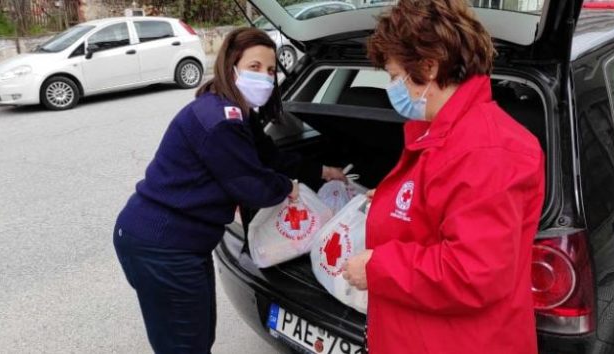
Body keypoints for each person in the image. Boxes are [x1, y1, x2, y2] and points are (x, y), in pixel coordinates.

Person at [113, 27, 345, 354]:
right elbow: (253, 187)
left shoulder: (237, 113)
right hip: (162, 246)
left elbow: (271, 157)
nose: (266, 77)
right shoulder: (220, 119)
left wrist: (322, 172)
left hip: (179, 244)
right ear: (231, 66)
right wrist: (288, 188)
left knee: (197, 338)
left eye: (271, 70)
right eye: (255, 68)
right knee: (185, 346)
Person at [342, 0, 546, 353]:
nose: (392, 87)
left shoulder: (488, 151)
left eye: (394, 75)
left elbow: (472, 272)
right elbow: (437, 209)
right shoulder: (444, 134)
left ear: (429, 66)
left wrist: (377, 269)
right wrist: (390, 201)